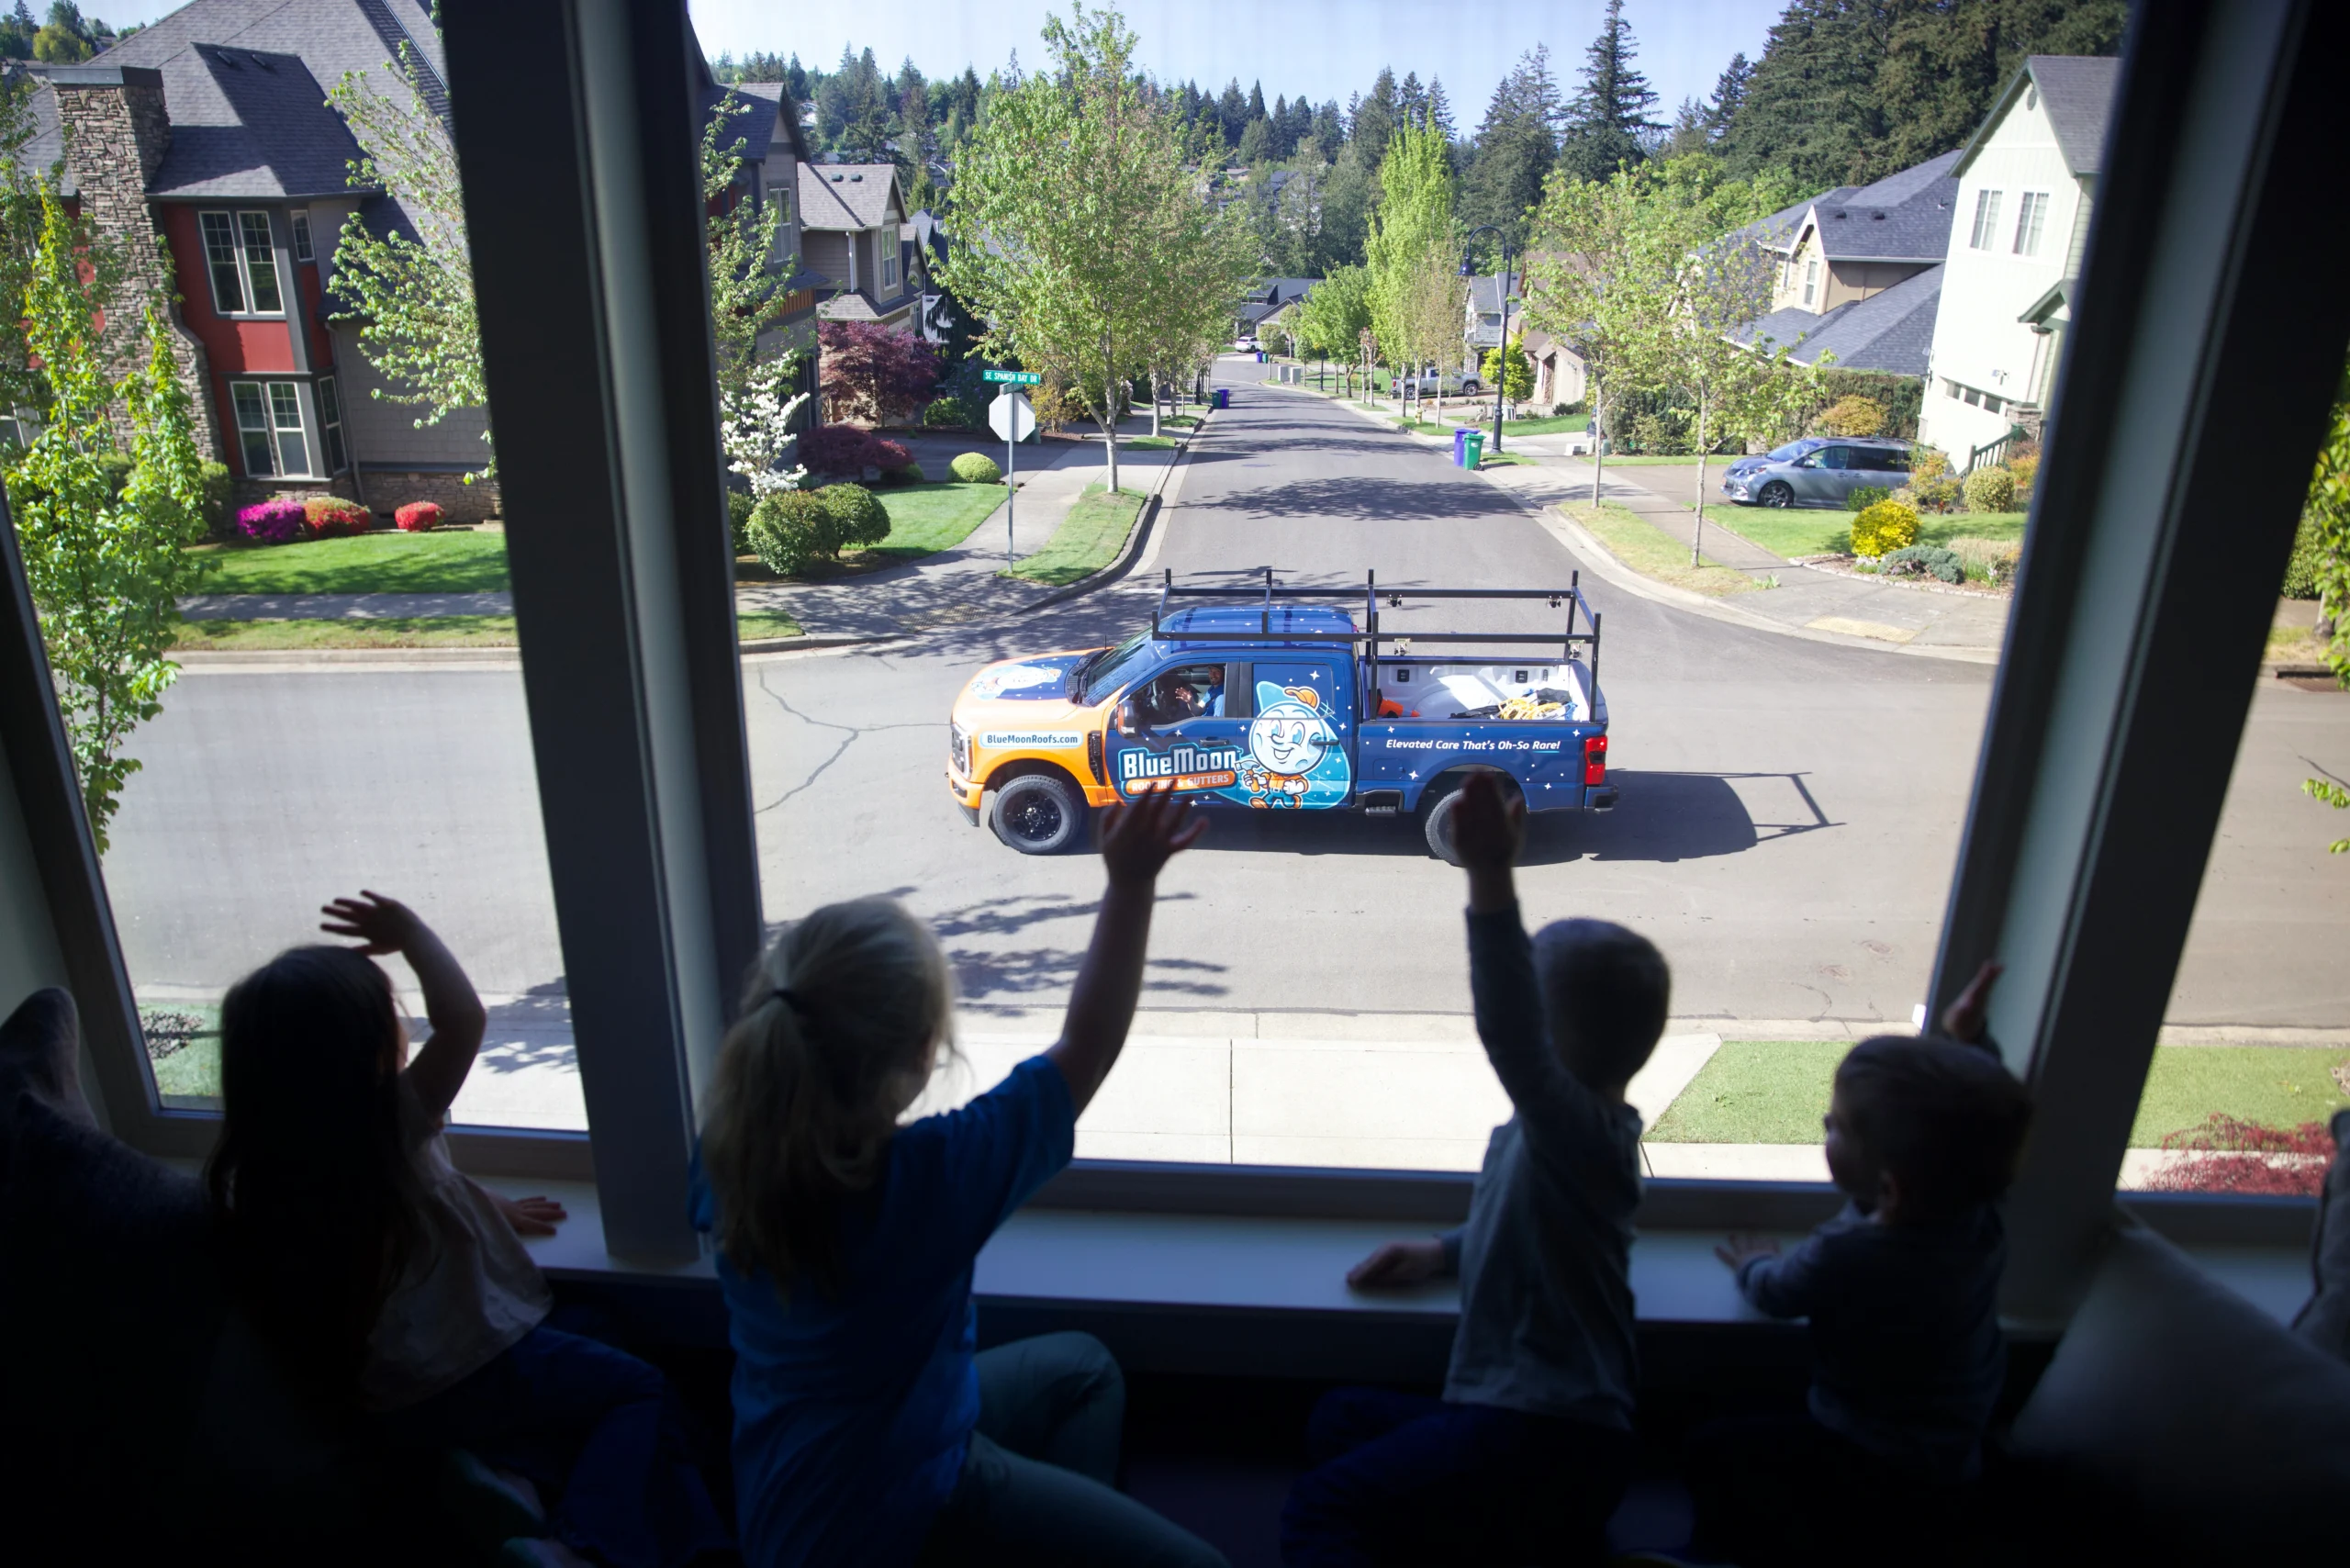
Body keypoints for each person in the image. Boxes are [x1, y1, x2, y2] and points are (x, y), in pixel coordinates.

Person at [692, 790, 1227, 1568]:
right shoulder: (927, 1184)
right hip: (906, 1499)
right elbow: (1087, 1047)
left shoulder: (726, 1150)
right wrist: (1131, 883)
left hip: (785, 1491)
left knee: (1082, 1368)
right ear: (920, 1060)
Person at [206, 892, 726, 1568]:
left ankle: (510, 1477)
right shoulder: (389, 1120)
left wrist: (483, 1203)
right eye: (390, 1016)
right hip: (468, 1366)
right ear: (365, 1051)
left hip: (394, 1393)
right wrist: (412, 933)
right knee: (640, 1391)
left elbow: (411, 1190)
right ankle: (577, 1546)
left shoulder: (271, 1168)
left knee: (595, 1325)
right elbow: (463, 1020)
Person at [1282, 772, 1667, 1566]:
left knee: (1322, 1510)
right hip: (1548, 1435)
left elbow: (1508, 1031)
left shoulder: (1576, 1129)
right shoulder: (1579, 1137)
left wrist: (1490, 874)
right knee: (1338, 1419)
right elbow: (1540, 1230)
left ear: (1549, 1042)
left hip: (1540, 1433)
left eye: (1530, 984)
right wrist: (1445, 1252)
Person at [1692, 964, 2033, 1567]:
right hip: (1957, 1443)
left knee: (1711, 1448)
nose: (1827, 1125)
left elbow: (1777, 1294)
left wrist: (1753, 1263)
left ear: (1890, 1188)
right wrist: (1972, 1043)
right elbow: (1977, 1130)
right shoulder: (1980, 1215)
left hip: (1864, 1447)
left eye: (1840, 1128)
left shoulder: (1848, 1251)